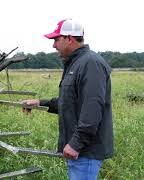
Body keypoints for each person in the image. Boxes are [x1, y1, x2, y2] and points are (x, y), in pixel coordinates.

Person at [22, 19, 114, 180]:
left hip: (86, 151)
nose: (53, 45)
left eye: (56, 40)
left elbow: (93, 108)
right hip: (80, 151)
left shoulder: (90, 63)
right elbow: (72, 103)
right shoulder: (76, 63)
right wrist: (40, 103)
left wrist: (76, 143)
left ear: (69, 39)